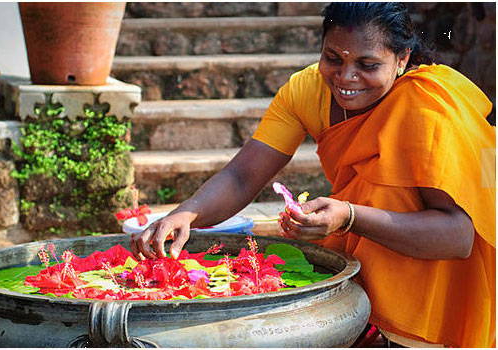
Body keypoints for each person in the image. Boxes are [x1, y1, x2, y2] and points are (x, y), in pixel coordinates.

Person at [130, 3, 495, 347]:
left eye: (368, 65)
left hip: (453, 271)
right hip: (390, 250)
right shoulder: (308, 90)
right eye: (332, 58)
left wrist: (348, 216)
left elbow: (458, 236)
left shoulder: (428, 107)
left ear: (401, 60)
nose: (346, 77)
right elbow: (244, 176)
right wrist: (186, 213)